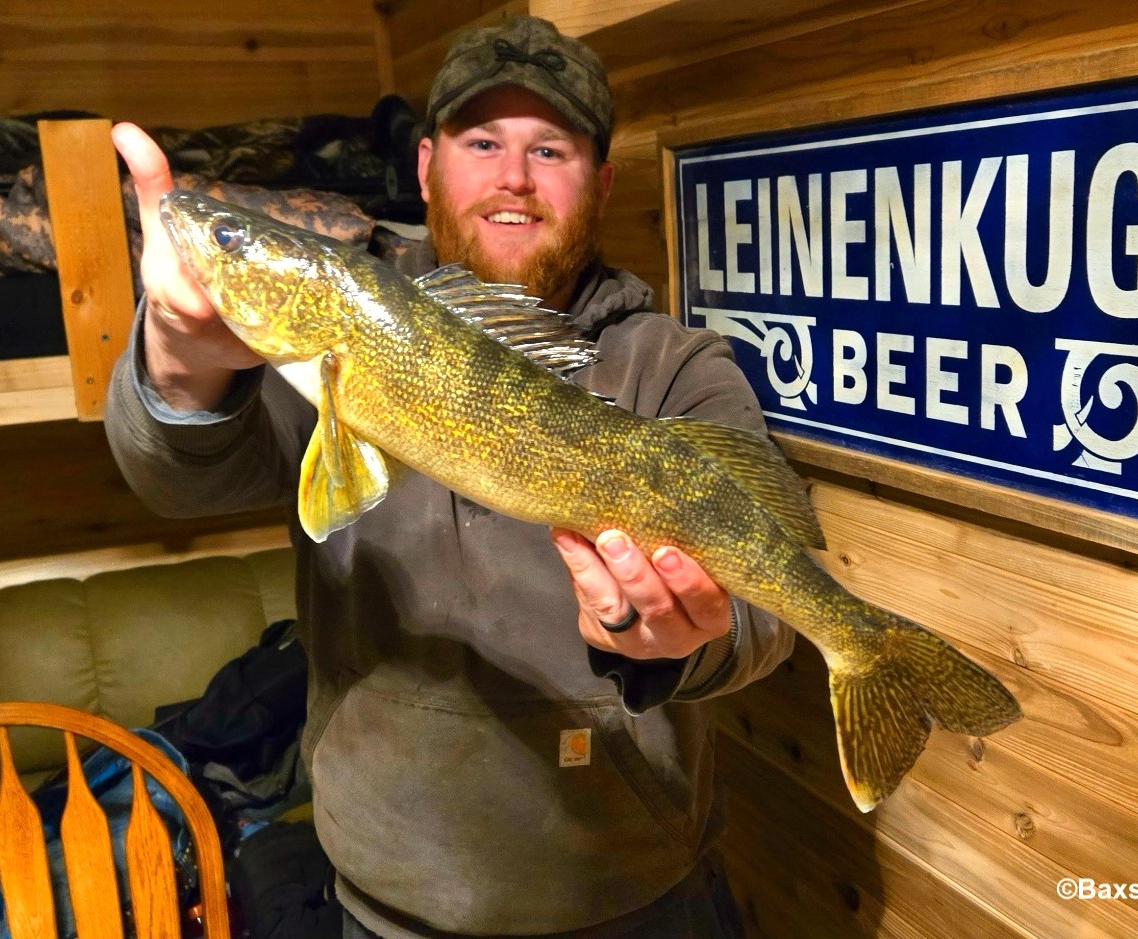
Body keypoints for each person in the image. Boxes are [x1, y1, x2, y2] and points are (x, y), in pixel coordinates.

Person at [106, 15, 795, 939]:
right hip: (385, 906)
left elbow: (765, 609)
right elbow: (183, 481)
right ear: (426, 165)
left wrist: (681, 639)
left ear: (600, 181)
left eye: (550, 148)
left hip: (636, 901)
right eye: (482, 142)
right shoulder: (327, 342)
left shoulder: (676, 367)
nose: (513, 177)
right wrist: (180, 357)